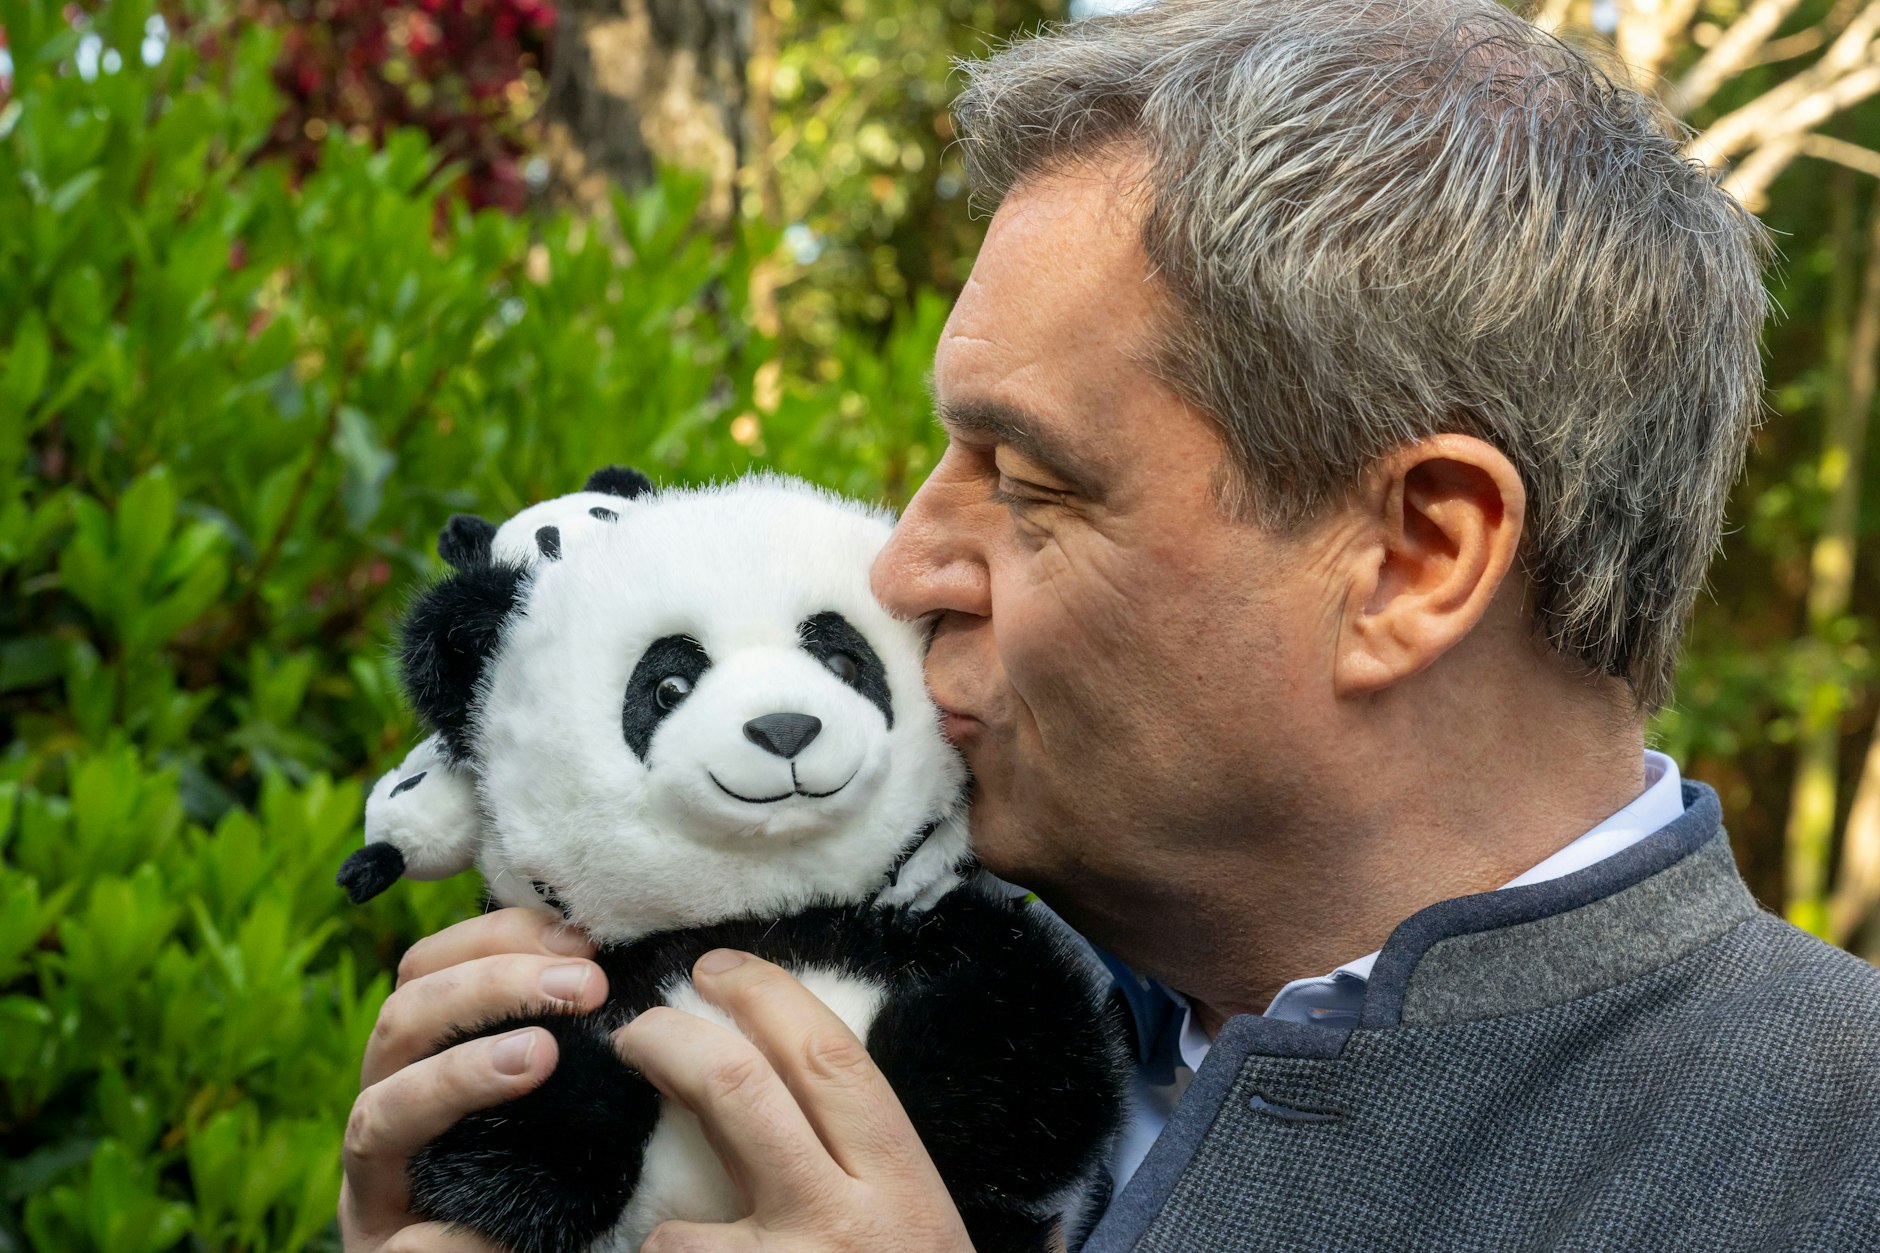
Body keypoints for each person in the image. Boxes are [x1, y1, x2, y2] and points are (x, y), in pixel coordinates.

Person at [337, 1, 1880, 1250]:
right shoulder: (879, 960)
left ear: (1415, 556)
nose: (905, 565)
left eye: (1028, 478)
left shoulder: (1837, 1162)